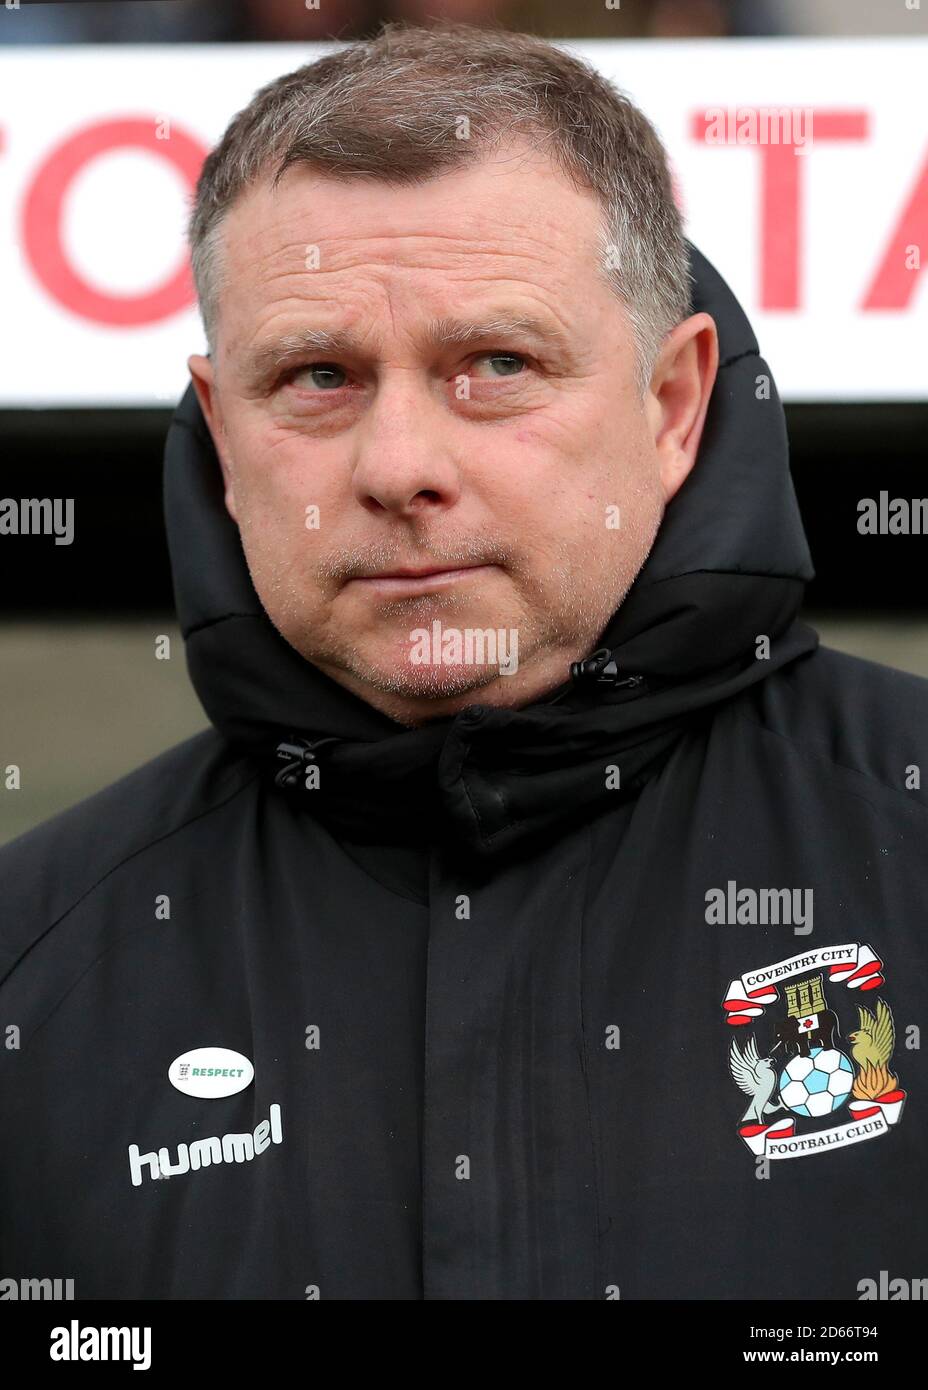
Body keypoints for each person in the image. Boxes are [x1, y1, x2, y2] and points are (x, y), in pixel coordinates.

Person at [1, 21, 925, 1301]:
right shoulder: (33, 957)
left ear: (671, 406)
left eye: (496, 364)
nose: (398, 468)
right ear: (221, 431)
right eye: (319, 376)